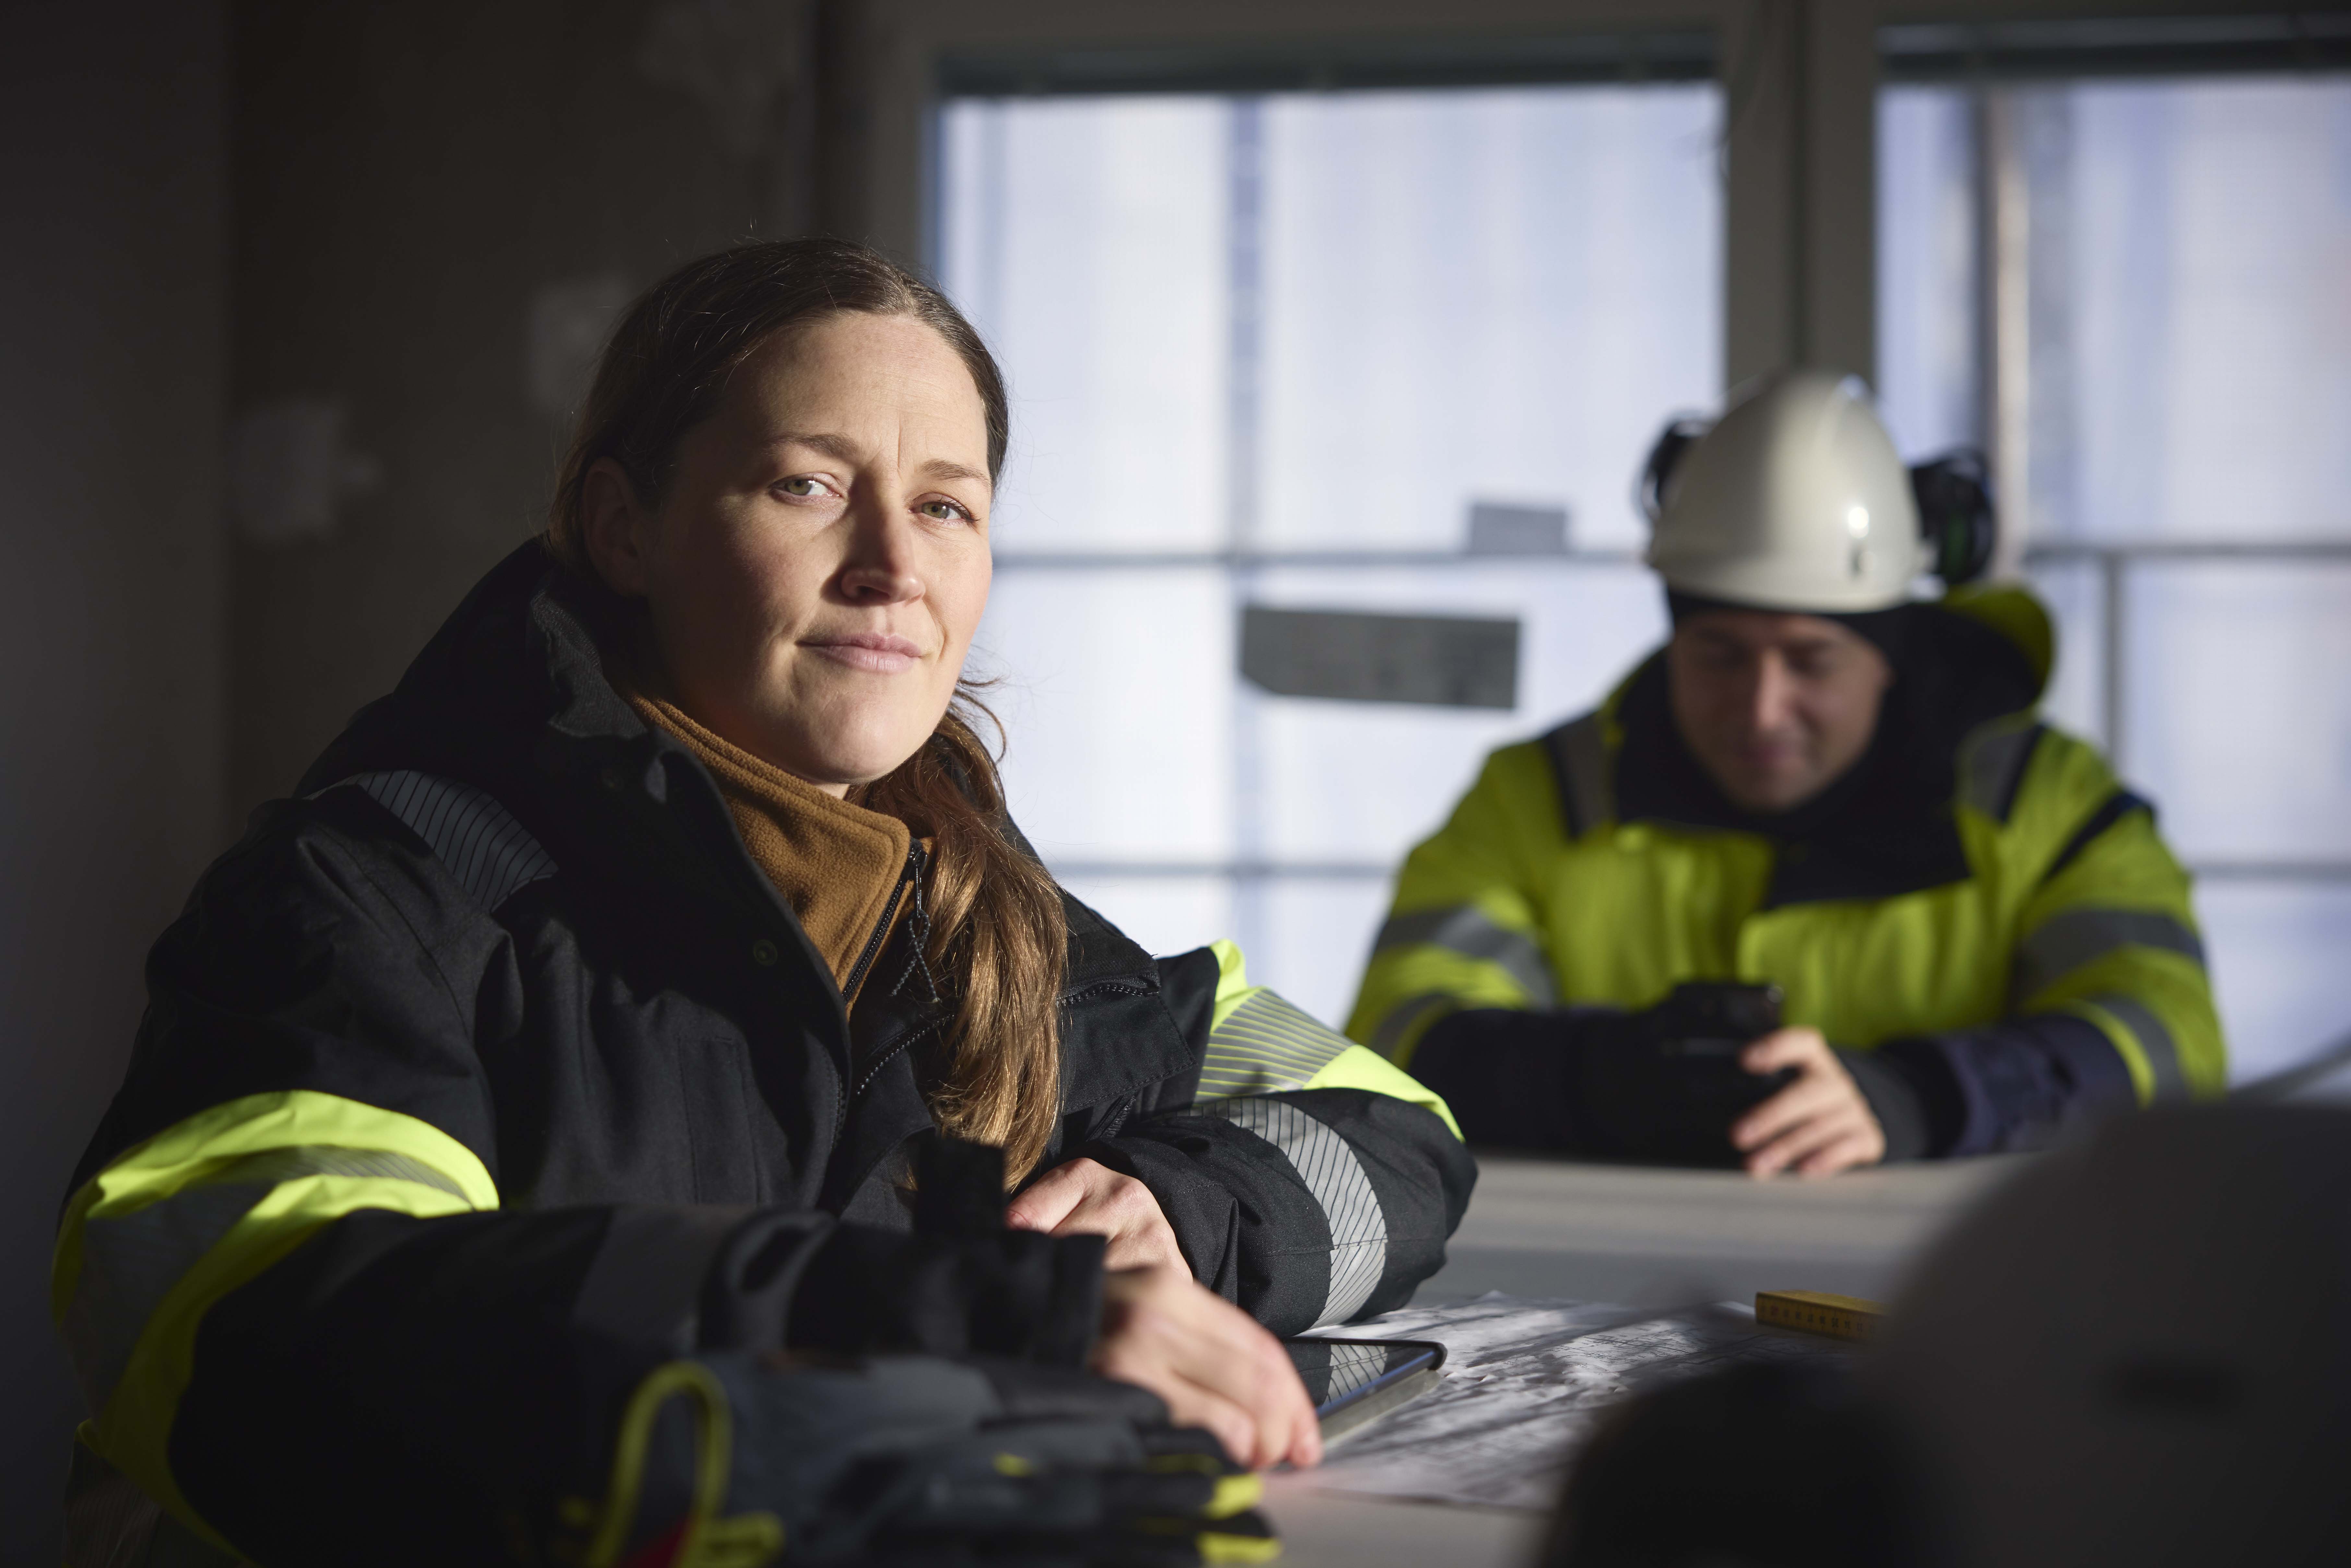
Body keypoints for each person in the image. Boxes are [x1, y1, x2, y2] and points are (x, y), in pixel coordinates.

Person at [54, 238, 1474, 1565]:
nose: (893, 566)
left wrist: (1172, 1210)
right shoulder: (365, 894)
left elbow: (1395, 1130)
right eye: (807, 484)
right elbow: (263, 1332)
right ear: (624, 527)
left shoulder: (985, 918)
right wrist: (941, 1321)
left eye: (943, 506)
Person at [1347, 370, 2222, 1176]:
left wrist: (1924, 1096)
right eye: (1718, 654)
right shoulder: (1536, 800)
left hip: (1959, 1298)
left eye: (1811, 660)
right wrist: (1600, 1079)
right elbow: (1395, 1038)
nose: (1761, 708)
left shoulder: (2050, 809)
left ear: (1890, 655)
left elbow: (2169, 1038)